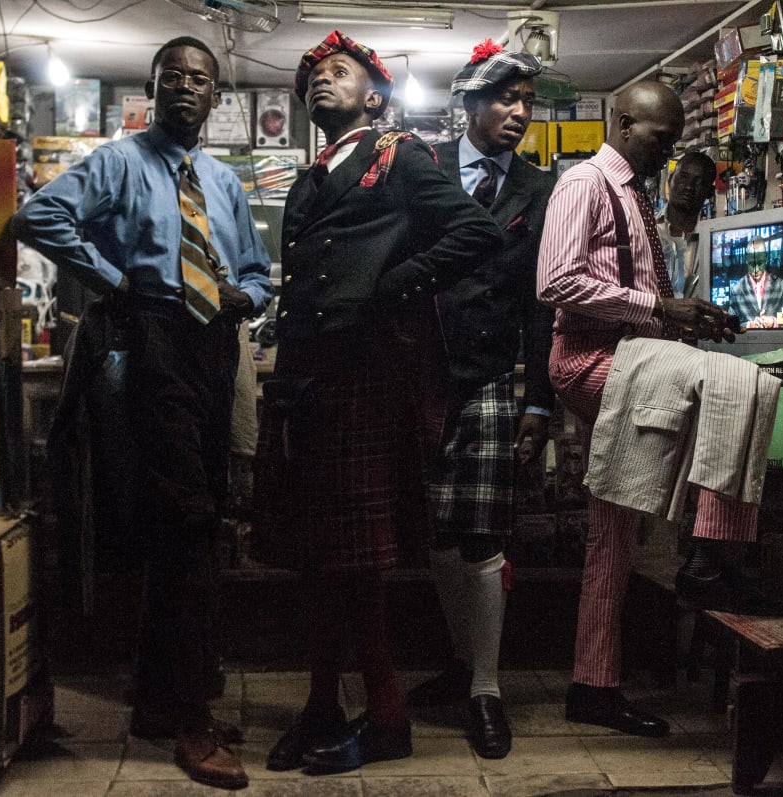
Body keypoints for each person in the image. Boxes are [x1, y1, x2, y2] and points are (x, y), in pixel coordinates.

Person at [11, 36, 273, 790]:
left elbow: (255, 270)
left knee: (194, 521)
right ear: (152, 91)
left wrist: (243, 297)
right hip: (149, 336)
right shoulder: (120, 162)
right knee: (185, 523)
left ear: (217, 98)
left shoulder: (222, 181)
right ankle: (191, 722)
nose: (186, 88)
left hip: (212, 344)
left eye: (201, 79)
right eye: (173, 78)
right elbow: (40, 216)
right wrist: (112, 279)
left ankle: (161, 704)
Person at [256, 30, 502, 775]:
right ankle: (324, 704)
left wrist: (395, 284)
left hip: (365, 374)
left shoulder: (400, 157)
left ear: (374, 93)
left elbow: (476, 232)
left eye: (338, 71)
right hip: (306, 379)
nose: (321, 82)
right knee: (315, 556)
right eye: (312, 79)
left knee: (355, 561)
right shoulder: (307, 179)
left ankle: (388, 714)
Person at [538, 80, 768, 737]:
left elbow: (637, 293)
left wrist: (684, 324)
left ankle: (593, 684)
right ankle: (713, 566)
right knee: (738, 387)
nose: (667, 155)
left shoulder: (634, 193)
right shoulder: (586, 183)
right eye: (659, 140)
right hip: (591, 362)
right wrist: (662, 309)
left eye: (672, 142)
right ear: (622, 122)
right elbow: (554, 280)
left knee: (612, 535)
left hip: (634, 358)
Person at [403, 40, 557, 760]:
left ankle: (488, 690)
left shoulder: (541, 187)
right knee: (437, 529)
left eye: (527, 100)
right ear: (468, 104)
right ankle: (462, 664)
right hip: (428, 370)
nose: (520, 112)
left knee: (484, 531)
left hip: (496, 371)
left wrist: (540, 402)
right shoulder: (424, 172)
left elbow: (542, 304)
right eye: (505, 98)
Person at [657, 151, 717, 297]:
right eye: (683, 178)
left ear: (710, 192)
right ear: (670, 179)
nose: (689, 187)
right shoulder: (646, 228)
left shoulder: (713, 240)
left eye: (699, 182)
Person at [726, 236, 783, 328]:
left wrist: (774, 322)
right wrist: (749, 325)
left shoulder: (781, 286)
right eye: (752, 264)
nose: (756, 270)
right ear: (746, 260)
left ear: (766, 258)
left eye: (760, 263)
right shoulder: (736, 289)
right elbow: (730, 324)